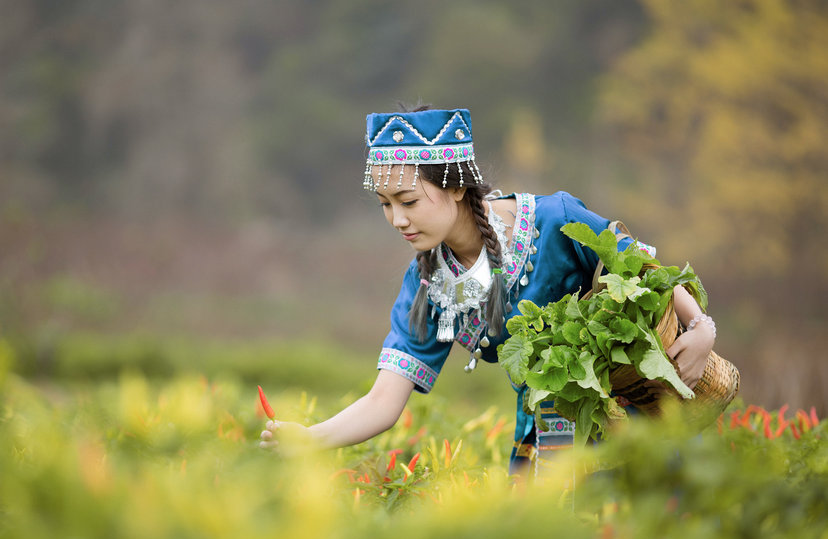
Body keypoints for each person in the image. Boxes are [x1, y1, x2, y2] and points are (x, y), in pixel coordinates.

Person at [259, 106, 716, 473]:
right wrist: (312, 438)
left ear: (456, 188)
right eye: (385, 205)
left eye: (410, 202)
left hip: (639, 409)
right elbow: (384, 399)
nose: (398, 220)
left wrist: (700, 327)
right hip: (547, 432)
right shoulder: (428, 287)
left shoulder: (552, 220)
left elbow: (638, 264)